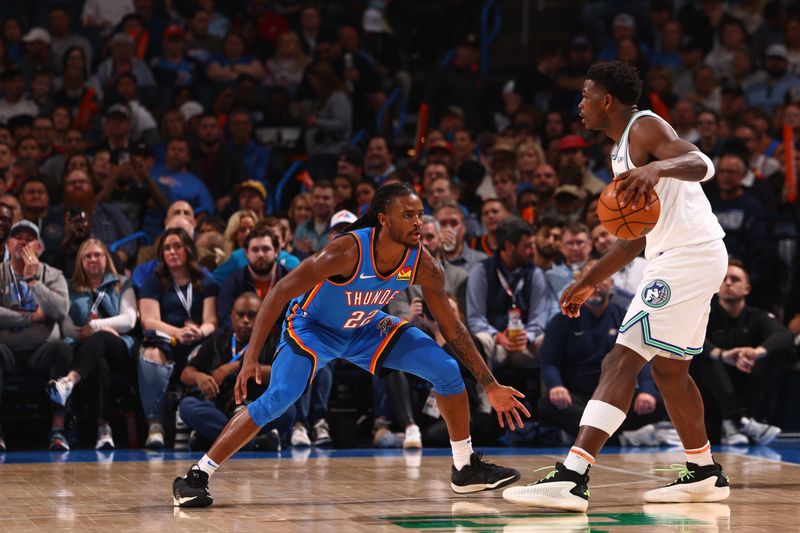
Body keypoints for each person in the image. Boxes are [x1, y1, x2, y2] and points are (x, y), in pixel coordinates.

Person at [172, 182, 530, 508]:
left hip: (365, 327)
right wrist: (251, 356)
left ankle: (464, 467)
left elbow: (453, 329)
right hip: (312, 328)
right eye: (408, 215)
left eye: (420, 214)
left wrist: (490, 384)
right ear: (383, 220)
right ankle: (197, 476)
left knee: (447, 369)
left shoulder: (422, 263)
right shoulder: (346, 252)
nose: (418, 223)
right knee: (279, 396)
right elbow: (280, 292)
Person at [503, 61, 729, 511]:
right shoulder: (618, 153)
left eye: (585, 95)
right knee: (669, 370)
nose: (579, 104)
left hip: (686, 258)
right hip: (682, 256)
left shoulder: (644, 128)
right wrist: (586, 280)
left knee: (620, 359)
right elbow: (635, 240)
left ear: (606, 100)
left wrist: (657, 169)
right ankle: (704, 471)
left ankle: (572, 475)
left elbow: (701, 163)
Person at [538, 260, 664, 445]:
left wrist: (646, 390)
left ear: (611, 284)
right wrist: (556, 386)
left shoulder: (625, 317)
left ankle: (584, 435)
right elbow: (549, 362)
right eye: (590, 280)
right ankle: (615, 437)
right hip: (577, 396)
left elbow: (642, 359)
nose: (596, 286)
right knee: (547, 405)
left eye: (602, 279)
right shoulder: (562, 320)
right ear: (579, 285)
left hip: (615, 396)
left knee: (658, 403)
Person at [47, 239, 137, 450]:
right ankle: (103, 427)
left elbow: (129, 320)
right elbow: (66, 325)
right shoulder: (70, 287)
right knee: (98, 364)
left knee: (101, 338)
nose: (93, 259)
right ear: (80, 261)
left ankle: (68, 382)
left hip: (118, 346)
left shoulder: (121, 283)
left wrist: (96, 327)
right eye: (88, 256)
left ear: (106, 259)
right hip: (83, 348)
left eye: (98, 255)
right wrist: (86, 333)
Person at [691, 260, 791, 446]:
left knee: (773, 353)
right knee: (702, 355)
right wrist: (721, 354)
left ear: (747, 288)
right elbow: (688, 337)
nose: (728, 283)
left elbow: (784, 336)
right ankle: (739, 421)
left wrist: (756, 353)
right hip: (711, 395)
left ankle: (741, 421)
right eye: (724, 279)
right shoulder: (705, 315)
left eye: (735, 279)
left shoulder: (757, 316)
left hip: (746, 390)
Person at [179, 293, 293, 452]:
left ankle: (214, 441)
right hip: (219, 412)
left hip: (256, 409)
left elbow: (281, 373)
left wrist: (236, 366)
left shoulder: (273, 342)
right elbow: (186, 373)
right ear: (232, 316)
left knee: (289, 409)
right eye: (240, 315)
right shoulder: (217, 342)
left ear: (262, 317)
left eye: (252, 315)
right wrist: (200, 377)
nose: (246, 320)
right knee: (187, 405)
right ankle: (256, 444)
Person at [138, 228, 219, 449]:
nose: (172, 252)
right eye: (167, 248)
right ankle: (155, 424)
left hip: (198, 340)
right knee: (151, 354)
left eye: (177, 246)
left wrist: (199, 332)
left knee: (211, 350)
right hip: (167, 339)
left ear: (188, 250)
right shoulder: (154, 281)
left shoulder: (205, 280)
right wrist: (177, 332)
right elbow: (148, 321)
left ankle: (197, 422)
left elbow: (211, 320)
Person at [0, 221, 71, 451]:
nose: (22, 241)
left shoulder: (51, 274)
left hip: (41, 352)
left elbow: (60, 309)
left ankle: (58, 430)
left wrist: (34, 281)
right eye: (17, 237)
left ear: (38, 247)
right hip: (7, 352)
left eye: (29, 238)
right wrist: (31, 318)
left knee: (62, 348)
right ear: (8, 245)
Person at [467, 217, 551, 370]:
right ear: (509, 246)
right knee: (479, 340)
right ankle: (482, 393)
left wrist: (527, 336)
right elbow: (475, 318)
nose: (533, 251)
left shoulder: (535, 273)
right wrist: (497, 336)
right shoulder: (481, 271)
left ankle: (553, 391)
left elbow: (539, 319)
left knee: (548, 341)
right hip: (495, 341)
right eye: (527, 246)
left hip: (525, 341)